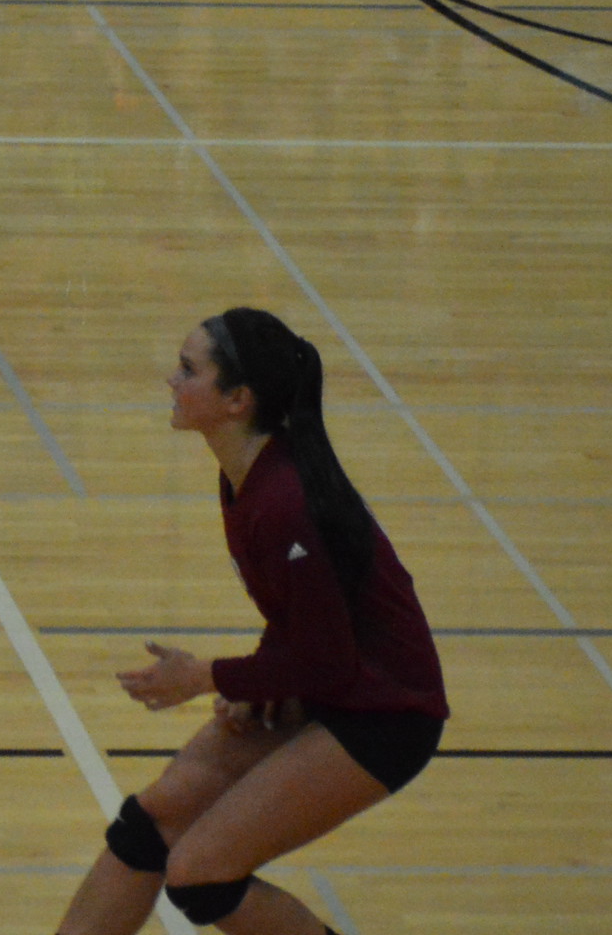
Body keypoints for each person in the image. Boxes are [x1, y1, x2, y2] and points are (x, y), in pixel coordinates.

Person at [47, 309, 446, 935]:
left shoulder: (286, 501)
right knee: (150, 825)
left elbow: (329, 661)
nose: (171, 380)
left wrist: (209, 676)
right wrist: (259, 682)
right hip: (330, 683)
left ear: (237, 400)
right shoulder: (246, 476)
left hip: (384, 715)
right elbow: (305, 614)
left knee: (201, 874)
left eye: (188, 370)